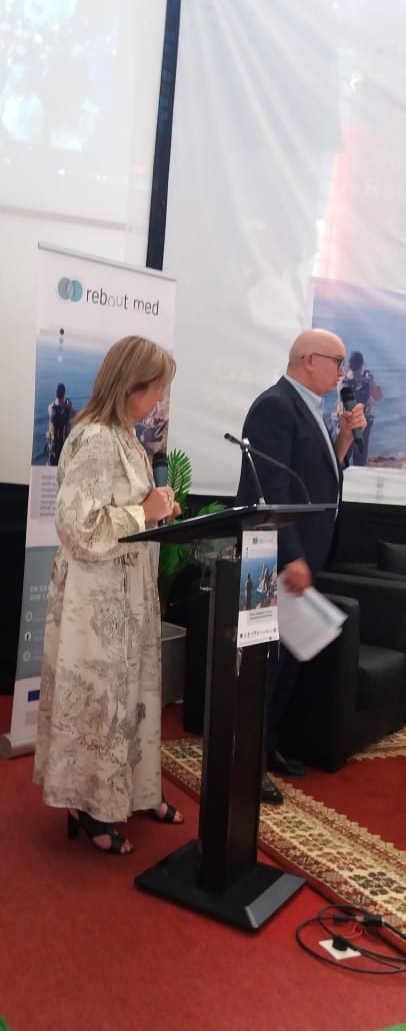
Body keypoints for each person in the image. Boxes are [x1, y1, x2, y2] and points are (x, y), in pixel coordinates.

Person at [33, 336, 184, 856]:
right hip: (96, 600)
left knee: (131, 696)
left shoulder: (128, 439)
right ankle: (90, 806)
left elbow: (130, 511)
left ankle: (135, 791)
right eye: (156, 389)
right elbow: (80, 528)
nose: (159, 400)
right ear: (129, 386)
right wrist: (145, 511)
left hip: (127, 593)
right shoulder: (96, 439)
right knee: (100, 702)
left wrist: (155, 508)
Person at [234, 328, 366, 805]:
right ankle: (245, 764)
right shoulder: (275, 407)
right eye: (337, 362)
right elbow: (269, 491)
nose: (342, 373)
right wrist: (290, 555)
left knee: (285, 661)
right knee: (262, 668)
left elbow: (314, 478)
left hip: (297, 558)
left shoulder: (309, 408)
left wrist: (343, 441)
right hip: (270, 559)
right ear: (309, 359)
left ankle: (267, 746)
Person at [333, 350, 383, 466]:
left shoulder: (341, 380)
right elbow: (378, 397)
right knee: (359, 461)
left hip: (345, 425)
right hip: (361, 425)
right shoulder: (366, 381)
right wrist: (371, 381)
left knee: (340, 461)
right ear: (362, 364)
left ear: (349, 364)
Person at [47, 382, 74, 466]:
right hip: (64, 447)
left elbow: (50, 426)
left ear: (55, 393)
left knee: (52, 467)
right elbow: (77, 417)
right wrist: (70, 407)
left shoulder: (50, 407)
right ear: (64, 393)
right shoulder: (67, 410)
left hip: (53, 446)